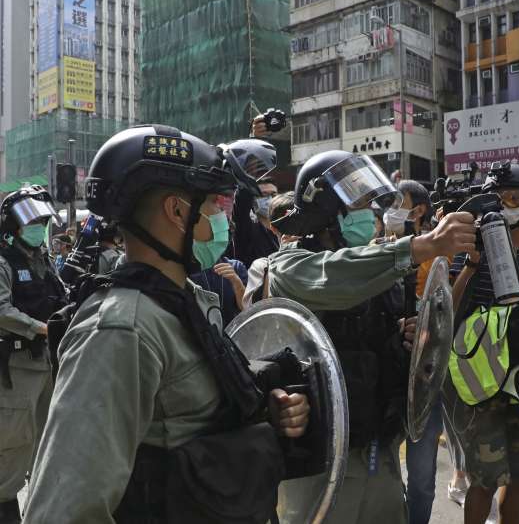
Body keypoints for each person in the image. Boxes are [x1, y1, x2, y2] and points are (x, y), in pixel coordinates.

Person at [23, 125, 310, 523]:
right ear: (177, 212)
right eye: (213, 205)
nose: (222, 219)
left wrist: (266, 411)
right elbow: (65, 508)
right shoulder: (121, 328)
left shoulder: (186, 301)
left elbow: (189, 427)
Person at [268, 150, 476, 524]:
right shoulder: (290, 265)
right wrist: (422, 246)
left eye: (369, 204)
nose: (371, 214)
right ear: (329, 211)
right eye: (360, 204)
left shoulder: (382, 269)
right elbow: (337, 277)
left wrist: (408, 339)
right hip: (321, 457)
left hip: (379, 446)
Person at [447, 162, 519, 524]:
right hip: (480, 380)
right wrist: (473, 265)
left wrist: (507, 259)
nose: (505, 204)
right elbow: (448, 305)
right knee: (484, 477)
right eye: (497, 198)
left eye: (515, 197)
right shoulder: (469, 250)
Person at [0, 186, 67, 524]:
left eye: (42, 221)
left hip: (47, 365)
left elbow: (59, 299)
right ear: (12, 226)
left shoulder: (45, 260)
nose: (39, 227)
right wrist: (41, 328)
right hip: (16, 368)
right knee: (12, 446)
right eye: (32, 222)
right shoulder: (3, 261)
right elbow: (1, 309)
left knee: (47, 442)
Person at [384, 179, 441, 524]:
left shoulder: (439, 254)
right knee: (382, 473)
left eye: (396, 202)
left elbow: (444, 309)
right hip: (387, 378)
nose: (388, 211)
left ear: (417, 211)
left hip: (425, 379)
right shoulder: (375, 251)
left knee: (422, 479)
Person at [227, 138, 281, 267]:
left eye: (273, 194)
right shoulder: (247, 228)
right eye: (264, 195)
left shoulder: (284, 229)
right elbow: (242, 201)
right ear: (253, 201)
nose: (270, 199)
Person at [242, 191, 295, 308]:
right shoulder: (262, 266)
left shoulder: (321, 254)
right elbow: (257, 312)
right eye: (263, 195)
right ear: (273, 228)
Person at [189, 256, 248, 327]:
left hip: (232, 331)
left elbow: (247, 308)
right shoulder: (189, 271)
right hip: (202, 332)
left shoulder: (237, 267)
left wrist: (237, 283)